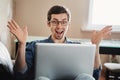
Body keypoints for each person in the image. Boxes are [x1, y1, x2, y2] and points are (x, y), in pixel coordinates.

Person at [7, 5, 112, 80]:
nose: (59, 26)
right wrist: (22, 44)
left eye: (64, 22)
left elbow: (95, 75)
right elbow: (20, 73)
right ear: (48, 24)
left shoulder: (79, 48)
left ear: (68, 24)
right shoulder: (34, 46)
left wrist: (96, 46)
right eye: (55, 21)